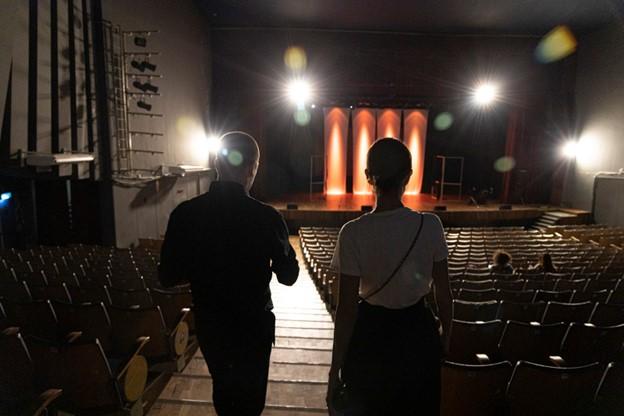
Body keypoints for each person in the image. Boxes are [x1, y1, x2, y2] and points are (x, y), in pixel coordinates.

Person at [158, 131, 299, 416]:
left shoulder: (185, 214)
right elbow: (289, 276)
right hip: (253, 325)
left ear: (216, 163)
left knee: (223, 391)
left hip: (211, 324)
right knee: (250, 399)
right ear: (252, 167)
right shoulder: (267, 217)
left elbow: (167, 276)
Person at [326, 138, 452, 416]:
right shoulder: (430, 225)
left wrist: (335, 369)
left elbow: (346, 309)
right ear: (408, 176)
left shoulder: (352, 233)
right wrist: (446, 332)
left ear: (367, 177)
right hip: (418, 334)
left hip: (370, 337)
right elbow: (444, 290)